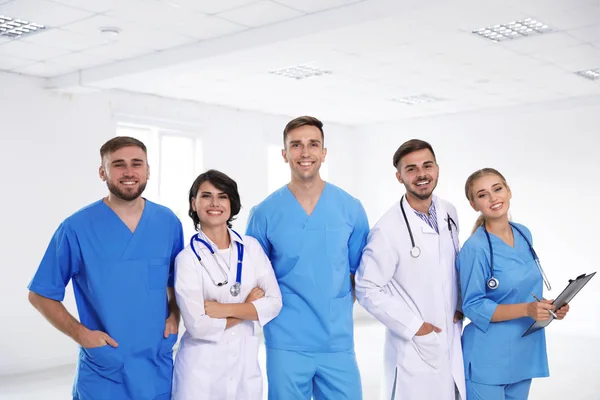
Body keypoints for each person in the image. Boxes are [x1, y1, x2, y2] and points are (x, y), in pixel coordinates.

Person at [27, 136, 183, 400]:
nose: (129, 172)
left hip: (156, 365)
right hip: (105, 368)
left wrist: (175, 315)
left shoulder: (168, 221)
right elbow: (40, 293)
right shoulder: (76, 228)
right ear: (103, 172)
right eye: (119, 164)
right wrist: (81, 334)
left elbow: (177, 281)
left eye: (137, 164)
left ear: (148, 170)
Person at [246, 116, 369, 400]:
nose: (305, 152)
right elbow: (255, 278)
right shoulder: (264, 213)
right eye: (296, 145)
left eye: (313, 144)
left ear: (324, 153)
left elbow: (356, 272)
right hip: (286, 340)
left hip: (337, 340)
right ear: (284, 153)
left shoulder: (350, 209)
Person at [355, 139, 466, 400]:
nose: (421, 174)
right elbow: (366, 288)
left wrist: (459, 302)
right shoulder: (387, 229)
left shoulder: (449, 212)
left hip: (451, 335)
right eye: (412, 169)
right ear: (399, 176)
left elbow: (451, 266)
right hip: (416, 344)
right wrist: (415, 326)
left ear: (437, 169)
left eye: (427, 166)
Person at [457, 168, 570, 399]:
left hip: (523, 352)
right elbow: (473, 306)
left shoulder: (523, 233)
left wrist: (549, 307)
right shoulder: (475, 248)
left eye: (497, 189)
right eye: (482, 194)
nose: (493, 198)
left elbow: (524, 291)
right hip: (487, 358)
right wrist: (528, 309)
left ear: (508, 191)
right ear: (473, 204)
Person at [171, 169, 282, 400]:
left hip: (244, 367)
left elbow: (274, 303)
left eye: (222, 196)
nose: (215, 203)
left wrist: (224, 310)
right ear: (193, 203)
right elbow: (198, 326)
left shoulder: (250, 248)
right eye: (206, 196)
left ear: (232, 203)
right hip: (200, 373)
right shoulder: (187, 259)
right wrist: (248, 308)